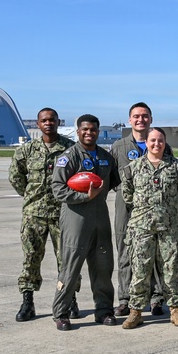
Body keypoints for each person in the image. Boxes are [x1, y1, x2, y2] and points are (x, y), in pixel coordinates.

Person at [50, 114, 121, 330]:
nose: (89, 133)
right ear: (78, 131)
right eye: (85, 130)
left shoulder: (106, 157)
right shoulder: (68, 156)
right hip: (76, 219)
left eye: (93, 130)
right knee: (71, 267)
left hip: (100, 217)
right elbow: (58, 188)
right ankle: (61, 312)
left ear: (98, 132)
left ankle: (104, 310)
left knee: (103, 266)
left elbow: (113, 183)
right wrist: (84, 197)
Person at [9, 108, 78, 322]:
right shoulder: (27, 150)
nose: (48, 123)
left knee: (66, 260)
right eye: (44, 120)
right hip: (34, 215)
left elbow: (78, 174)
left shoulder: (69, 149)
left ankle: (69, 300)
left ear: (58, 122)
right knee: (31, 259)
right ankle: (28, 303)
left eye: (52, 120)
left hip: (62, 214)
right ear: (38, 124)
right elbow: (15, 176)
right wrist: (31, 195)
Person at [119, 128, 178, 329]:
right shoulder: (133, 168)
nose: (156, 144)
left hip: (170, 227)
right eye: (152, 140)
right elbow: (128, 195)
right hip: (141, 228)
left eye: (160, 140)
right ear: (147, 142)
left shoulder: (177, 167)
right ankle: (136, 311)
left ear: (164, 142)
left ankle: (175, 309)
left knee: (170, 269)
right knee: (140, 269)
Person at [112, 102, 170, 318]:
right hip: (126, 210)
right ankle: (126, 299)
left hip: (156, 211)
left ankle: (156, 298)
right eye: (136, 116)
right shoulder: (119, 147)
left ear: (151, 119)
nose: (141, 120)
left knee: (156, 255)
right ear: (129, 120)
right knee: (126, 253)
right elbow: (113, 179)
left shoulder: (161, 144)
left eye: (145, 116)